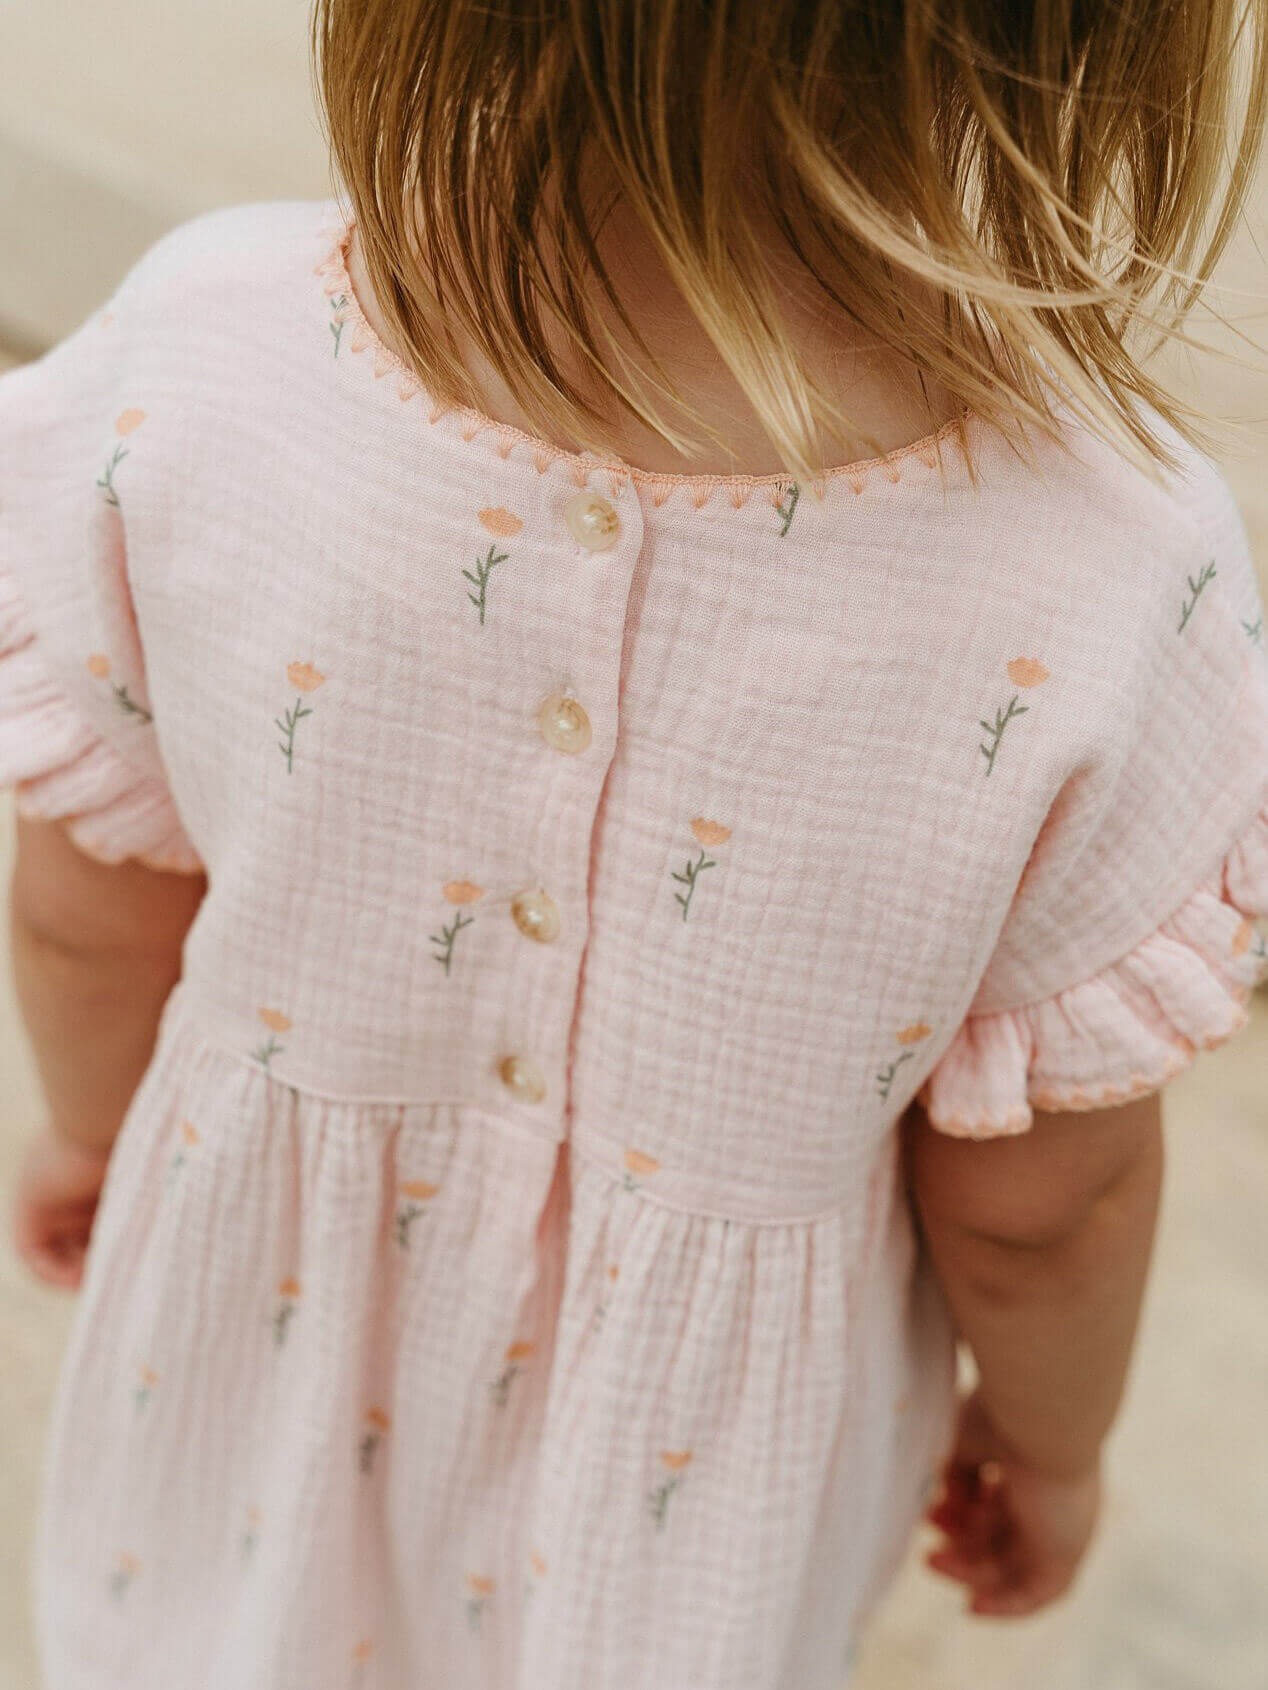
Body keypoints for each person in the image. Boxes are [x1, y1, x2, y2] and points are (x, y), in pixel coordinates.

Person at [6, 3, 1267, 1687]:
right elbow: (1047, 1210)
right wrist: (1051, 1439)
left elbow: (92, 908)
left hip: (254, 1351)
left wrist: (96, 1133)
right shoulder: (1111, 561)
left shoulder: (204, 353)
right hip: (689, 1504)